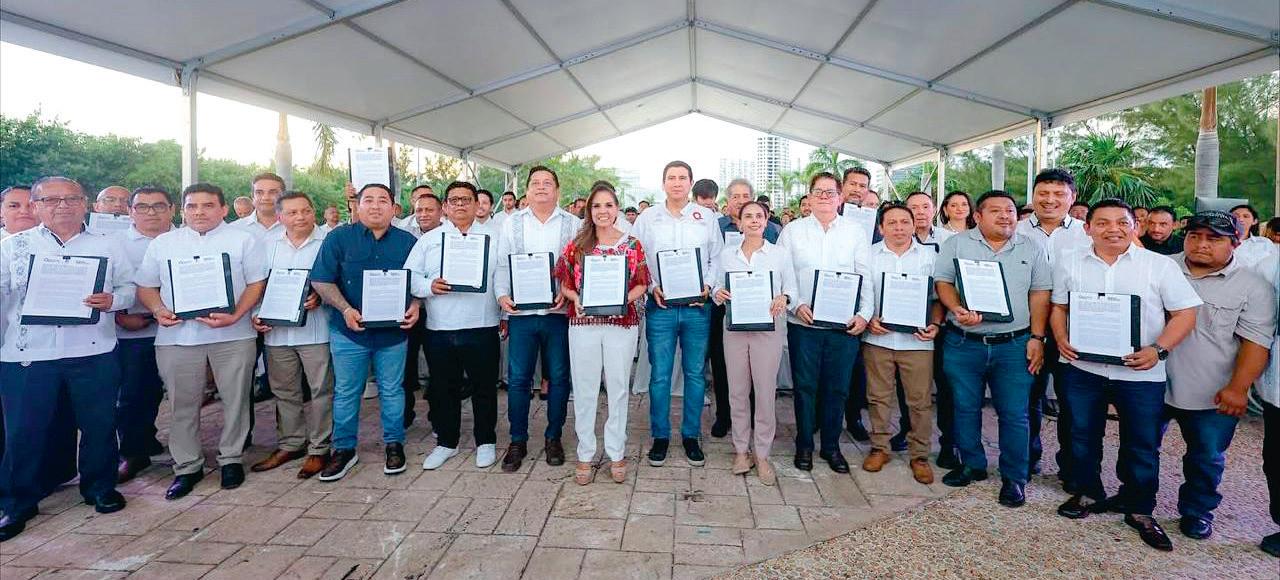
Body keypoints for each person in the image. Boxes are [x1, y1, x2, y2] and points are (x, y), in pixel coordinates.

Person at [1050, 199, 1199, 552]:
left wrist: (1158, 350)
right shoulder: (1069, 262)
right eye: (1102, 222)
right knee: (1082, 435)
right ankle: (1088, 491)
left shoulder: (1158, 266)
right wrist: (1060, 337)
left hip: (1141, 373)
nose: (1112, 229)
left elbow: (1185, 314)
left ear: (1136, 226)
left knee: (1141, 443)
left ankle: (1139, 507)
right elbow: (1059, 307)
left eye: (1121, 222)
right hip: (1084, 369)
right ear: (1088, 228)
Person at [0, 176, 134, 541]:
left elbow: (128, 288)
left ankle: (100, 488)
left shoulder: (109, 244)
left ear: (85, 203)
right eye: (52, 200)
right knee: (23, 431)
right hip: (28, 353)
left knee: (99, 425)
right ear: (36, 206)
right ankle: (18, 502)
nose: (63, 205)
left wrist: (114, 300)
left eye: (72, 198)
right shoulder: (13, 246)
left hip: (92, 351)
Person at [135, 182, 268, 499]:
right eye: (192, 206)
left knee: (236, 399)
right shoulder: (164, 243)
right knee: (182, 403)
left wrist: (236, 315)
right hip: (177, 336)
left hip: (233, 334)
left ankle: (231, 458)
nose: (199, 212)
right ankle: (187, 466)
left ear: (223, 209)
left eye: (208, 205)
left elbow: (257, 283)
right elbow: (145, 286)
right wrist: (158, 310)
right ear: (182, 210)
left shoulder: (243, 239)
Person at [934, 190, 1050, 508]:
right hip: (964, 343)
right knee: (965, 407)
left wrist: (1037, 338)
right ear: (978, 216)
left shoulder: (1031, 247)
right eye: (996, 210)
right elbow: (943, 282)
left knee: (1014, 413)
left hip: (1014, 344)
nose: (1005, 216)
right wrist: (956, 308)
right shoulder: (956, 244)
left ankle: (1014, 477)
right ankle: (972, 463)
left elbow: (1040, 294)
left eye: (1010, 210)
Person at [1163, 211, 1274, 541]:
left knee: (1206, 457)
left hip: (1212, 390)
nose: (1201, 244)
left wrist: (1238, 388)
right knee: (1140, 447)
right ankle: (1137, 501)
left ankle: (1197, 511)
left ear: (1235, 244)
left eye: (1214, 239)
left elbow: (1256, 342)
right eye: (1194, 236)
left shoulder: (1253, 285)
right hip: (1152, 383)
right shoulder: (1161, 268)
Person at [309, 183, 420, 481]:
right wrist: (345, 309)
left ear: (394, 208)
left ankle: (394, 444)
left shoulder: (408, 242)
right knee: (347, 392)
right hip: (349, 332)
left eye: (382, 200)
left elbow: (421, 280)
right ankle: (344, 449)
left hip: (393, 334)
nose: (375, 206)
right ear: (357, 206)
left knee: (392, 391)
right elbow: (321, 280)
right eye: (368, 200)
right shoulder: (338, 238)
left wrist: (416, 304)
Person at [778, 172, 873, 473]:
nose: (824, 197)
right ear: (809, 197)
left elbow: (865, 274)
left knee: (837, 388)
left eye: (830, 192)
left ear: (840, 197)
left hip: (843, 327)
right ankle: (805, 444)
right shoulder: (792, 231)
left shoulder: (855, 232)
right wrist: (796, 302)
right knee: (805, 387)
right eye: (818, 191)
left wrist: (865, 313)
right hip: (803, 324)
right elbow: (783, 273)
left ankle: (831, 447)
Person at [556, 182, 649, 484]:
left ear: (617, 208)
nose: (603, 211)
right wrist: (575, 298)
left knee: (618, 387)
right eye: (596, 206)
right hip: (584, 324)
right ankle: (585, 453)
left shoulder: (631, 244)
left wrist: (621, 301)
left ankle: (616, 451)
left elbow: (642, 283)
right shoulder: (577, 245)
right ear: (589, 210)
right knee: (584, 389)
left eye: (608, 205)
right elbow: (565, 283)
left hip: (621, 325)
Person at [630, 160, 722, 467]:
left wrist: (708, 286)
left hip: (697, 308)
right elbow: (638, 258)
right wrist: (652, 286)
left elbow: (717, 257)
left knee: (695, 373)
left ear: (691, 183)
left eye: (683, 177)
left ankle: (690, 435)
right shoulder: (648, 218)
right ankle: (660, 435)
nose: (677, 182)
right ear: (663, 183)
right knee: (660, 374)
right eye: (672, 177)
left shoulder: (706, 217)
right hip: (661, 307)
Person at [409, 181, 502, 470]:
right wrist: (429, 286)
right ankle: (447, 443)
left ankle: (485, 441)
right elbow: (410, 276)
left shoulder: (494, 238)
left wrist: (506, 311)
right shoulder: (429, 240)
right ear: (446, 207)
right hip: (441, 327)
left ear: (477, 205)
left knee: (484, 388)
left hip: (483, 324)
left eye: (466, 199)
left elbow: (503, 276)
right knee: (444, 388)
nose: (460, 205)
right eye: (454, 200)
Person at [495, 167, 580, 472]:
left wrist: (569, 292)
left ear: (557, 190)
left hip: (558, 314)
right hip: (522, 314)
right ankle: (517, 440)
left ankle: (553, 437)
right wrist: (501, 295)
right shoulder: (512, 222)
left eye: (547, 183)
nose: (541, 187)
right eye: (535, 183)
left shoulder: (574, 224)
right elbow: (502, 264)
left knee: (558, 377)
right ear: (527, 191)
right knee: (518, 379)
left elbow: (580, 266)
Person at [248, 191, 334, 479]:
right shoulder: (266, 245)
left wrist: (321, 297)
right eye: (292, 212)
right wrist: (256, 313)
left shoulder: (329, 241)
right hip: (277, 334)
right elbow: (256, 285)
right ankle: (291, 443)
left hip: (317, 331)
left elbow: (339, 281)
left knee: (321, 391)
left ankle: (320, 448)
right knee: (285, 391)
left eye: (306, 210)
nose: (300, 217)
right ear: (280, 216)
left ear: (313, 211)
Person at [713, 200, 798, 486]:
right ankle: (741, 450)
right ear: (738, 222)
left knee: (764, 392)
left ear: (766, 220)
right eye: (747, 216)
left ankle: (762, 454)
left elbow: (792, 289)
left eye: (758, 216)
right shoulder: (727, 255)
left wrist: (783, 298)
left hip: (767, 331)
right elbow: (716, 287)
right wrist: (719, 293)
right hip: (735, 330)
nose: (753, 221)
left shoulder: (779, 255)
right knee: (737, 391)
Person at [1015, 168, 1092, 483]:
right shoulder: (1016, 230)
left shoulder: (1087, 233)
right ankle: (1026, 460)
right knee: (1026, 399)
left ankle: (1071, 468)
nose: (1050, 200)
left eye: (1059, 194)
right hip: (1026, 329)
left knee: (1072, 403)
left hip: (1073, 332)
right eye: (1043, 193)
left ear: (1072, 197)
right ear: (1033, 195)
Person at [861, 203, 942, 484]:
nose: (899, 228)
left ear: (913, 225)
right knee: (878, 397)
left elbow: (939, 296)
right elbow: (862, 293)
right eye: (892, 223)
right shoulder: (868, 255)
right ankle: (879, 448)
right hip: (877, 338)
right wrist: (868, 319)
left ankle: (919, 455)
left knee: (919, 401)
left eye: (904, 222)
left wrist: (936, 324)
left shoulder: (930, 256)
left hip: (918, 342)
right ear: (881, 227)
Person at [709, 179, 782, 438]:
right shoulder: (716, 227)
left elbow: (782, 278)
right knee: (725, 367)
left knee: (760, 374)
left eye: (745, 196)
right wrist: (717, 291)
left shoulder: (772, 233)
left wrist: (782, 297)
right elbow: (714, 268)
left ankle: (755, 423)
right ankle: (725, 416)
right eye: (736, 197)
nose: (741, 201)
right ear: (728, 201)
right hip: (727, 310)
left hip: (763, 314)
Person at [113, 187, 174, 483]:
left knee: (180, 393)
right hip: (133, 332)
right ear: (130, 211)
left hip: (181, 330)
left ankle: (183, 449)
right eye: (143, 206)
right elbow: (102, 285)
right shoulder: (114, 244)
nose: (151, 212)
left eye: (159, 206)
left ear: (172, 209)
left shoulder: (187, 239)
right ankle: (133, 453)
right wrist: (119, 316)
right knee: (133, 394)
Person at [401, 191, 444, 427]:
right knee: (406, 364)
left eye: (429, 210)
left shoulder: (451, 236)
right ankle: (405, 414)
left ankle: (438, 417)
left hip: (438, 310)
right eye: (419, 210)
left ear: (441, 211)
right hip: (408, 311)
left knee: (438, 366)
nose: (424, 214)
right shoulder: (403, 233)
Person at [1230, 204, 1277, 273]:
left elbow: (1276, 267)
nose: (1240, 219)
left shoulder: (1265, 243)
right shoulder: (1222, 242)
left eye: (1245, 216)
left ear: (1254, 221)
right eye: (1235, 216)